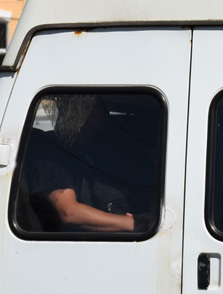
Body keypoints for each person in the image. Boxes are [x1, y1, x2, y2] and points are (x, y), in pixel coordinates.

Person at [24, 95, 139, 233]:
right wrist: (136, 224)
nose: (107, 113)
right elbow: (69, 213)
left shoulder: (98, 151)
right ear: (82, 110)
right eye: (101, 105)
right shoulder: (51, 151)